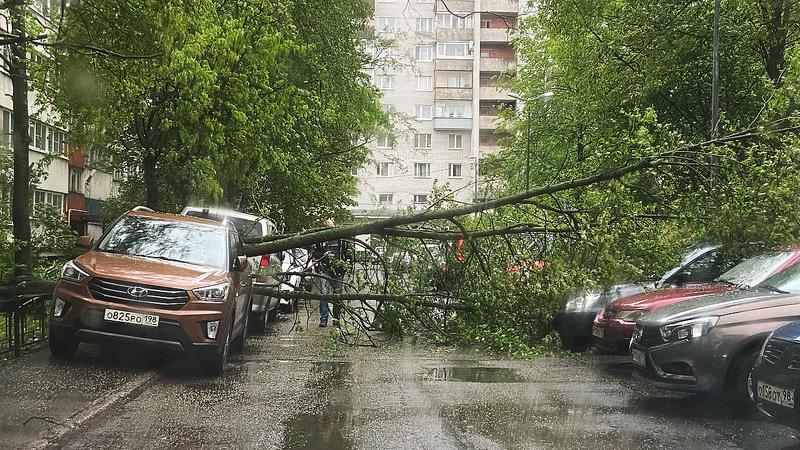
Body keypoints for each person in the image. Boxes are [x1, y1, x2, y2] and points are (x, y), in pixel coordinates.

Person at [313, 218, 351, 327]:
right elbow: (315, 254)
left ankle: (336, 318)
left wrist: (346, 266)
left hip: (338, 271)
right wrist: (323, 255)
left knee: (337, 295)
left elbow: (348, 254)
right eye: (327, 228)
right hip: (324, 270)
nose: (329, 230)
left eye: (331, 227)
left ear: (335, 226)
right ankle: (323, 319)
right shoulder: (320, 240)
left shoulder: (341, 240)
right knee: (324, 294)